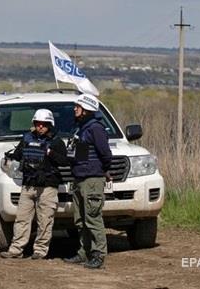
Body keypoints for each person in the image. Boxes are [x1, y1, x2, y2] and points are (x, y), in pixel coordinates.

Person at [0, 109, 68, 259]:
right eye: (38, 124)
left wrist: (50, 153)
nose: (41, 127)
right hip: (28, 185)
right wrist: (9, 158)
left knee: (45, 220)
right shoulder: (26, 139)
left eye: (44, 124)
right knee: (21, 219)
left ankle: (40, 251)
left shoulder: (56, 142)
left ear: (50, 125)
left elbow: (64, 161)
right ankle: (16, 250)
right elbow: (17, 155)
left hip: (48, 187)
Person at [63, 93, 112, 269]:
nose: (75, 109)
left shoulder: (96, 129)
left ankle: (98, 255)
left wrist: (102, 170)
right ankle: (84, 252)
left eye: (78, 106)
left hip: (92, 179)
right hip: (80, 178)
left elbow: (106, 155)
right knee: (80, 219)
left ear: (86, 110)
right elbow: (81, 154)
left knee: (92, 218)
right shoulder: (81, 128)